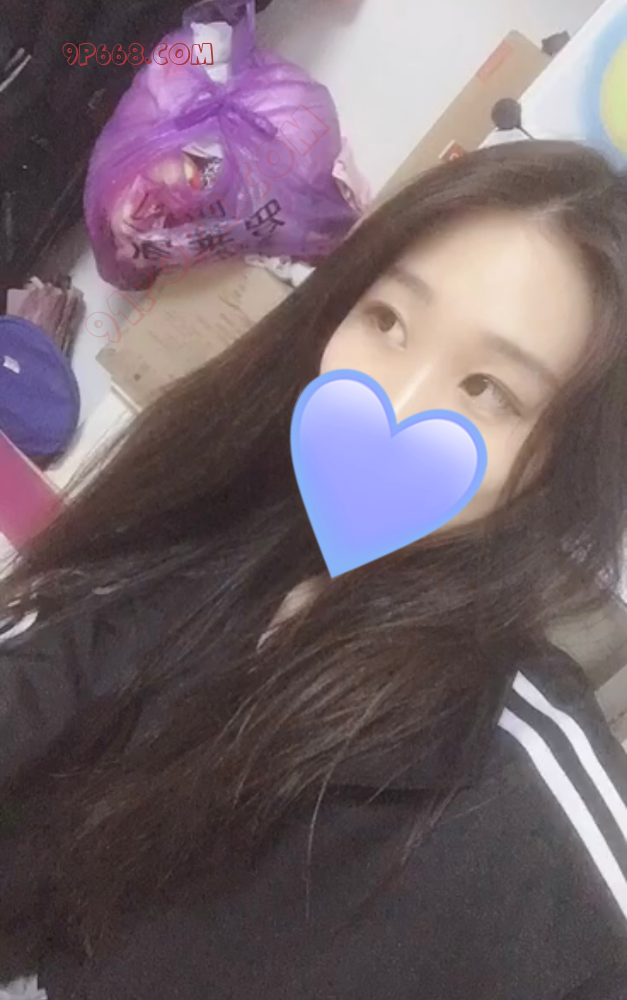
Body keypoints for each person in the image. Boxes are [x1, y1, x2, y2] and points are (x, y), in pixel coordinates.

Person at [0, 140, 627, 1000]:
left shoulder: (523, 811)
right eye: (388, 321)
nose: (392, 406)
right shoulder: (225, 531)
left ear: (559, 464)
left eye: (487, 391)